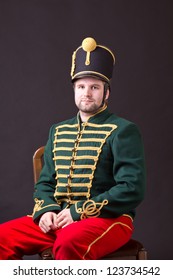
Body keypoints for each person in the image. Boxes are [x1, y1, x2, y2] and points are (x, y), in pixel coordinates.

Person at [0, 37, 146, 260]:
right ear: (74, 90)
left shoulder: (123, 130)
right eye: (81, 86)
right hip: (58, 218)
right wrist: (46, 210)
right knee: (2, 238)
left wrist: (78, 212)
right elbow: (45, 183)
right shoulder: (57, 130)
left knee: (68, 244)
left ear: (106, 93)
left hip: (110, 219)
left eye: (94, 87)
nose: (87, 93)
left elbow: (131, 188)